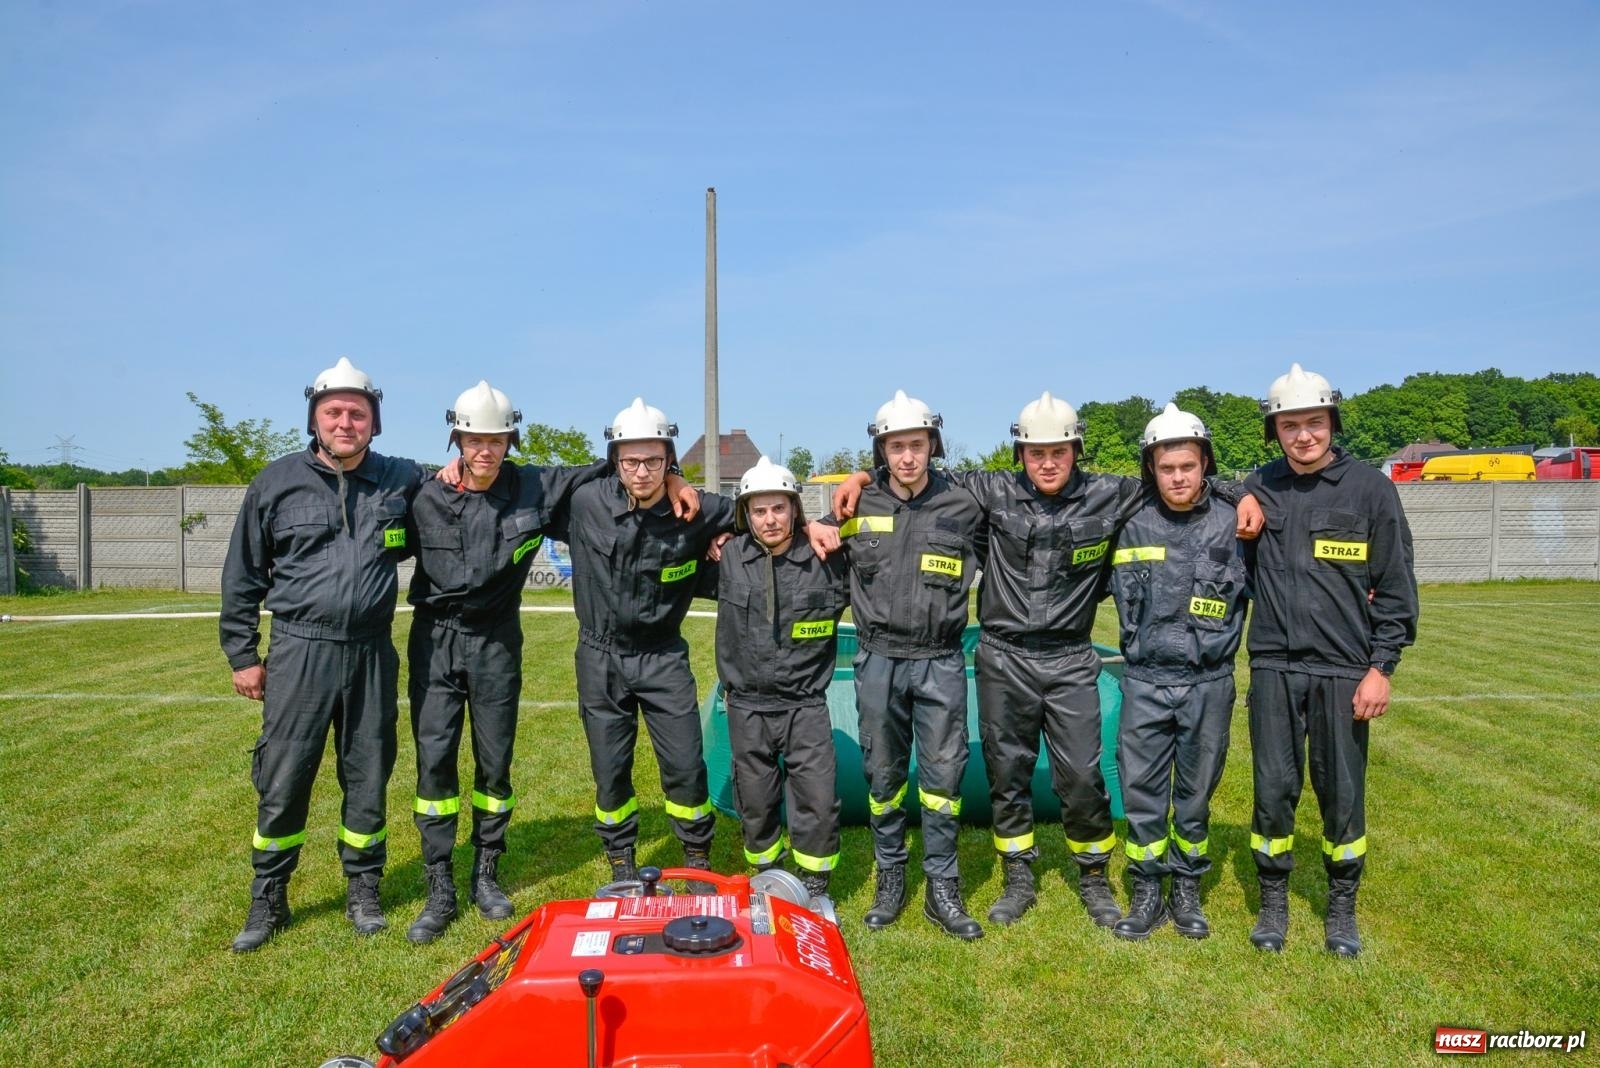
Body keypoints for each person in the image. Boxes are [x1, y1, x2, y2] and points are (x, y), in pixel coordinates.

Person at [833, 392, 1260, 931]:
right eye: (1036, 453)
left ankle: (1093, 876)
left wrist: (1240, 491)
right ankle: (1018, 877)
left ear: (1076, 450)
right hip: (1003, 657)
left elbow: (1178, 475)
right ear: (1021, 455)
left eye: (1059, 451)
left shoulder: (1111, 495)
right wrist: (860, 477)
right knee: (1007, 772)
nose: (1048, 462)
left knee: (1081, 774)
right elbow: (915, 474)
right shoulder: (990, 490)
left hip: (1071, 658)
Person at [221, 357, 424, 951]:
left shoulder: (401, 480)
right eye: (333, 412)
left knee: (367, 772)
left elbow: (465, 483)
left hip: (371, 652)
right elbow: (242, 575)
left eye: (357, 413)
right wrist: (242, 654)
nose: (345, 423)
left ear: (374, 423)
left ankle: (363, 888)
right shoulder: (275, 483)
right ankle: (269, 896)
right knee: (284, 777)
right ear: (314, 418)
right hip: (299, 650)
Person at [401, 381, 611, 943]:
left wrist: (673, 476)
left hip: (496, 642)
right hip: (436, 640)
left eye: (496, 440)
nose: (485, 451)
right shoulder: (423, 493)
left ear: (510, 441)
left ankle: (486, 871)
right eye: (474, 440)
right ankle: (439, 882)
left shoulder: (533, 487)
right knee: (435, 764)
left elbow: (604, 468)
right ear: (457, 440)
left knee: (495, 764)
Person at [1243, 363, 1418, 957]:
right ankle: (1273, 901)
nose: (1303, 436)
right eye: (1289, 425)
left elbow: (1395, 585)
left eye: (1314, 422)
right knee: (1273, 788)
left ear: (1332, 422)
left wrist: (1381, 667)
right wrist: (1241, 494)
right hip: (1273, 666)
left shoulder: (1371, 490)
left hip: (1345, 669)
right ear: (1274, 431)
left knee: (1341, 793)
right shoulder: (1260, 485)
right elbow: (1208, 490)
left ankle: (1341, 906)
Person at [824, 390, 987, 940]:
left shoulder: (965, 504)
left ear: (933, 445)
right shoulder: (855, 505)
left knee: (944, 777)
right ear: (882, 451)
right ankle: (890, 877)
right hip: (878, 659)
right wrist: (847, 488)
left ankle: (943, 886)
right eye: (896, 447)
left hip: (940, 659)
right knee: (883, 774)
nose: (908, 457)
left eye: (917, 445)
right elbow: (813, 533)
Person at [565, 398, 736, 887]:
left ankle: (697, 856)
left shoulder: (697, 509)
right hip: (600, 656)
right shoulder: (585, 502)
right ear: (615, 461)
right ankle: (620, 857)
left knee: (685, 763)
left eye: (654, 461)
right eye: (630, 461)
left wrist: (724, 534)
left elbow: (759, 512)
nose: (642, 472)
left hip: (663, 656)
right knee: (610, 767)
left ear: (669, 459)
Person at [1107, 404, 1248, 942]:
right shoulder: (1127, 521)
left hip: (1208, 683)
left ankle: (1186, 888)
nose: (1178, 477)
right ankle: (1147, 890)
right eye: (1166, 468)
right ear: (1151, 468)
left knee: (1195, 794)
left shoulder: (1237, 522)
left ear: (1205, 463)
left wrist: (1242, 492)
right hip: (1144, 680)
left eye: (1188, 466)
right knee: (1141, 792)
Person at [712, 457, 849, 899]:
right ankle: (767, 874)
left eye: (779, 508)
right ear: (745, 514)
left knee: (817, 798)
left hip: (804, 705)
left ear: (795, 510)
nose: (769, 519)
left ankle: (815, 882)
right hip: (746, 706)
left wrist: (826, 524)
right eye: (758, 510)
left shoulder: (826, 557)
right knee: (755, 799)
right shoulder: (728, 556)